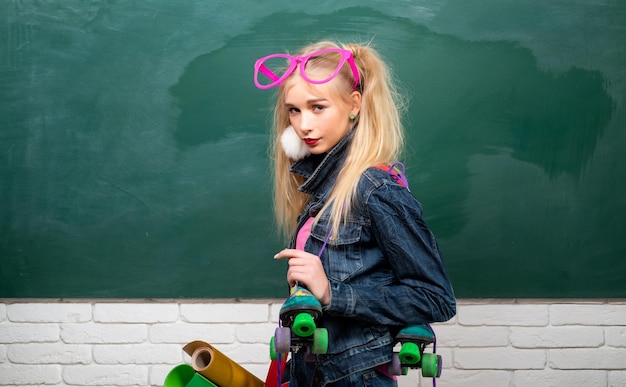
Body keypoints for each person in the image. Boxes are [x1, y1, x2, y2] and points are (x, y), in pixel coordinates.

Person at [254, 40, 456, 386]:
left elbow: (435, 299)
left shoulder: (375, 190)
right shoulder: (323, 190)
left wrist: (332, 294)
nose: (303, 125)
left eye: (318, 107)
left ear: (354, 105)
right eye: (294, 110)